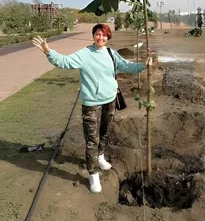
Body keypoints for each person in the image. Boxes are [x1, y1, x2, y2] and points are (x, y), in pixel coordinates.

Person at [32, 23, 151, 193]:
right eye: (97, 34)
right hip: (92, 104)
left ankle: (100, 156)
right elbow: (65, 62)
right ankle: (93, 174)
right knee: (91, 140)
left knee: (105, 131)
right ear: (93, 36)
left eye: (104, 35)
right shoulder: (85, 54)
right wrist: (48, 52)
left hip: (110, 100)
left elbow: (125, 66)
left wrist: (143, 66)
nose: (101, 37)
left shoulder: (111, 53)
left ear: (108, 37)